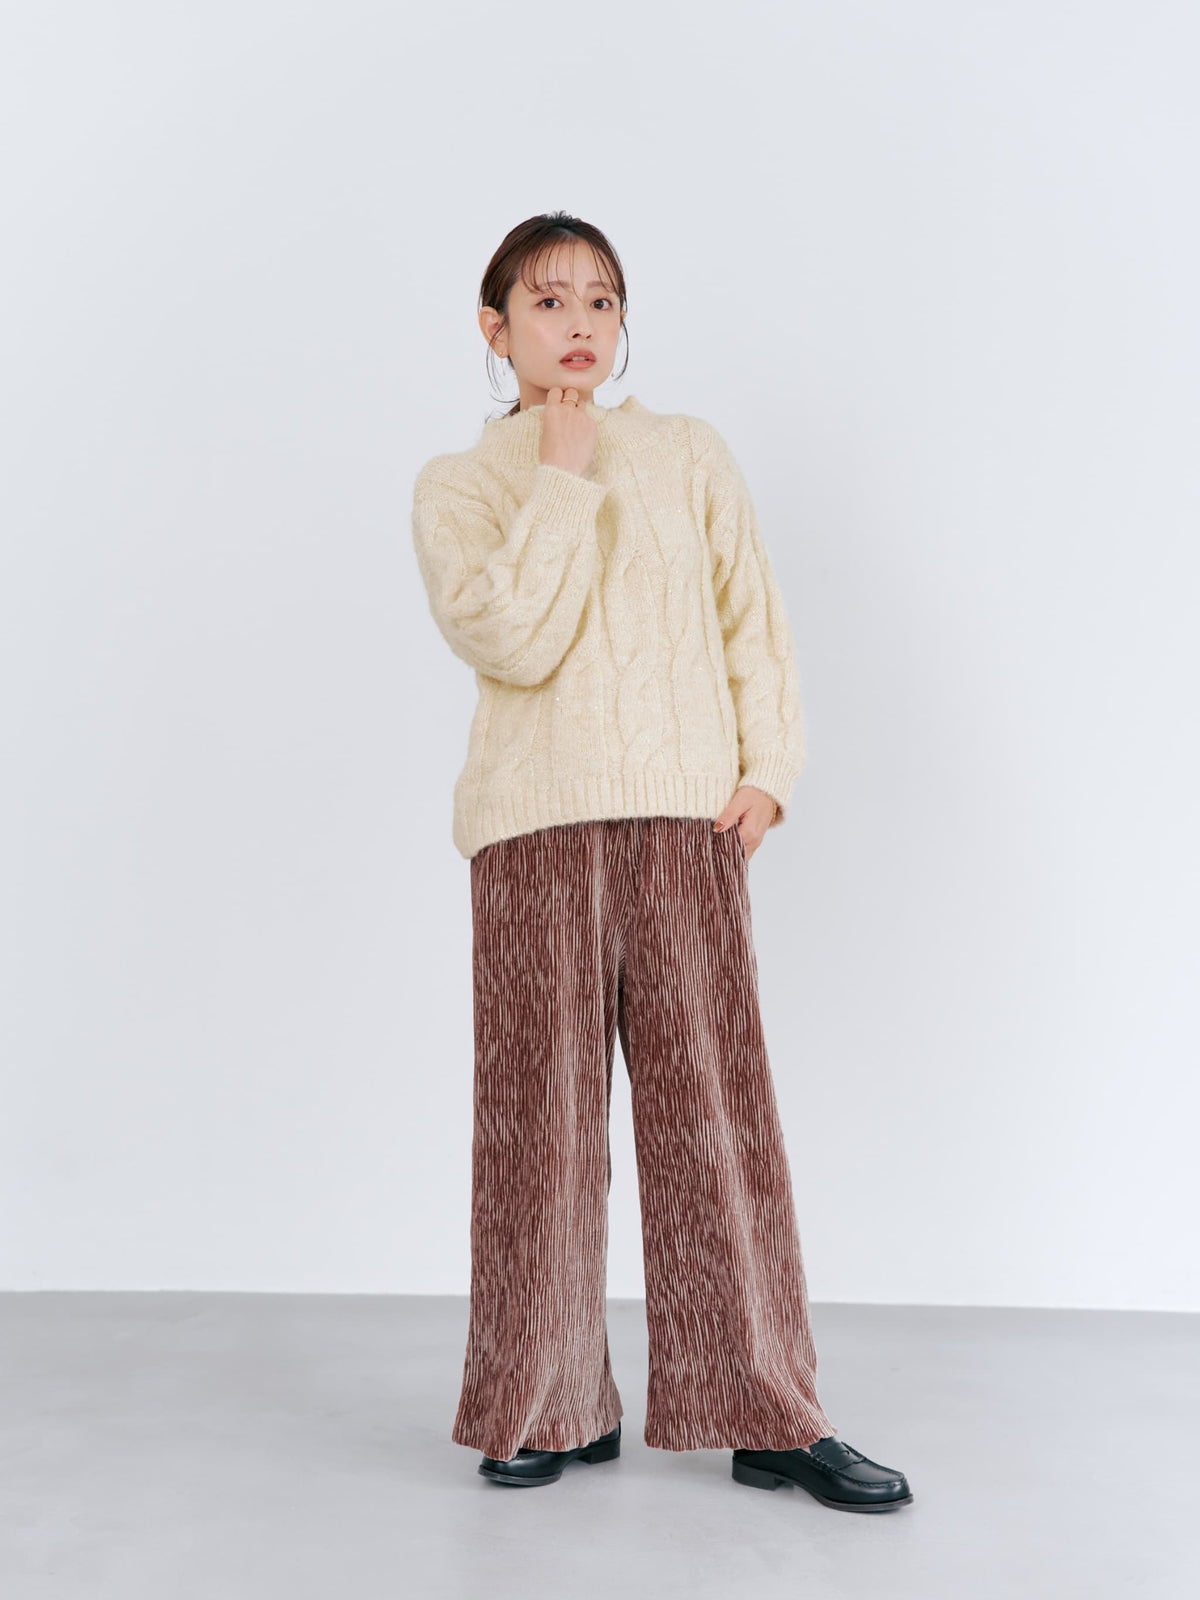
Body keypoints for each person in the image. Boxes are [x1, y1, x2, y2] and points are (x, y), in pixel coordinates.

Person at [411, 212, 913, 1513]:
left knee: (716, 1121)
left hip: (687, 822)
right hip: (531, 831)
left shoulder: (689, 452)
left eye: (601, 300)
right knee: (538, 1132)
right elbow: (510, 638)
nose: (579, 324)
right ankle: (546, 1404)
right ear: (495, 328)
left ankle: (767, 1410)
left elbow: (753, 615)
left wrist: (769, 769)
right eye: (548, 301)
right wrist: (562, 473)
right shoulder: (460, 485)